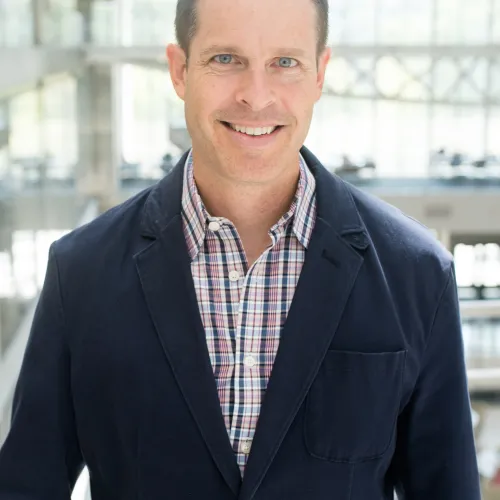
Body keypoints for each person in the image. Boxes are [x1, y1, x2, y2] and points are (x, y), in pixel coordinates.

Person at [0, 0, 481, 498]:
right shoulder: (80, 273)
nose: (256, 96)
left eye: (285, 62)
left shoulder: (417, 274)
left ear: (320, 73)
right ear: (180, 70)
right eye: (226, 59)